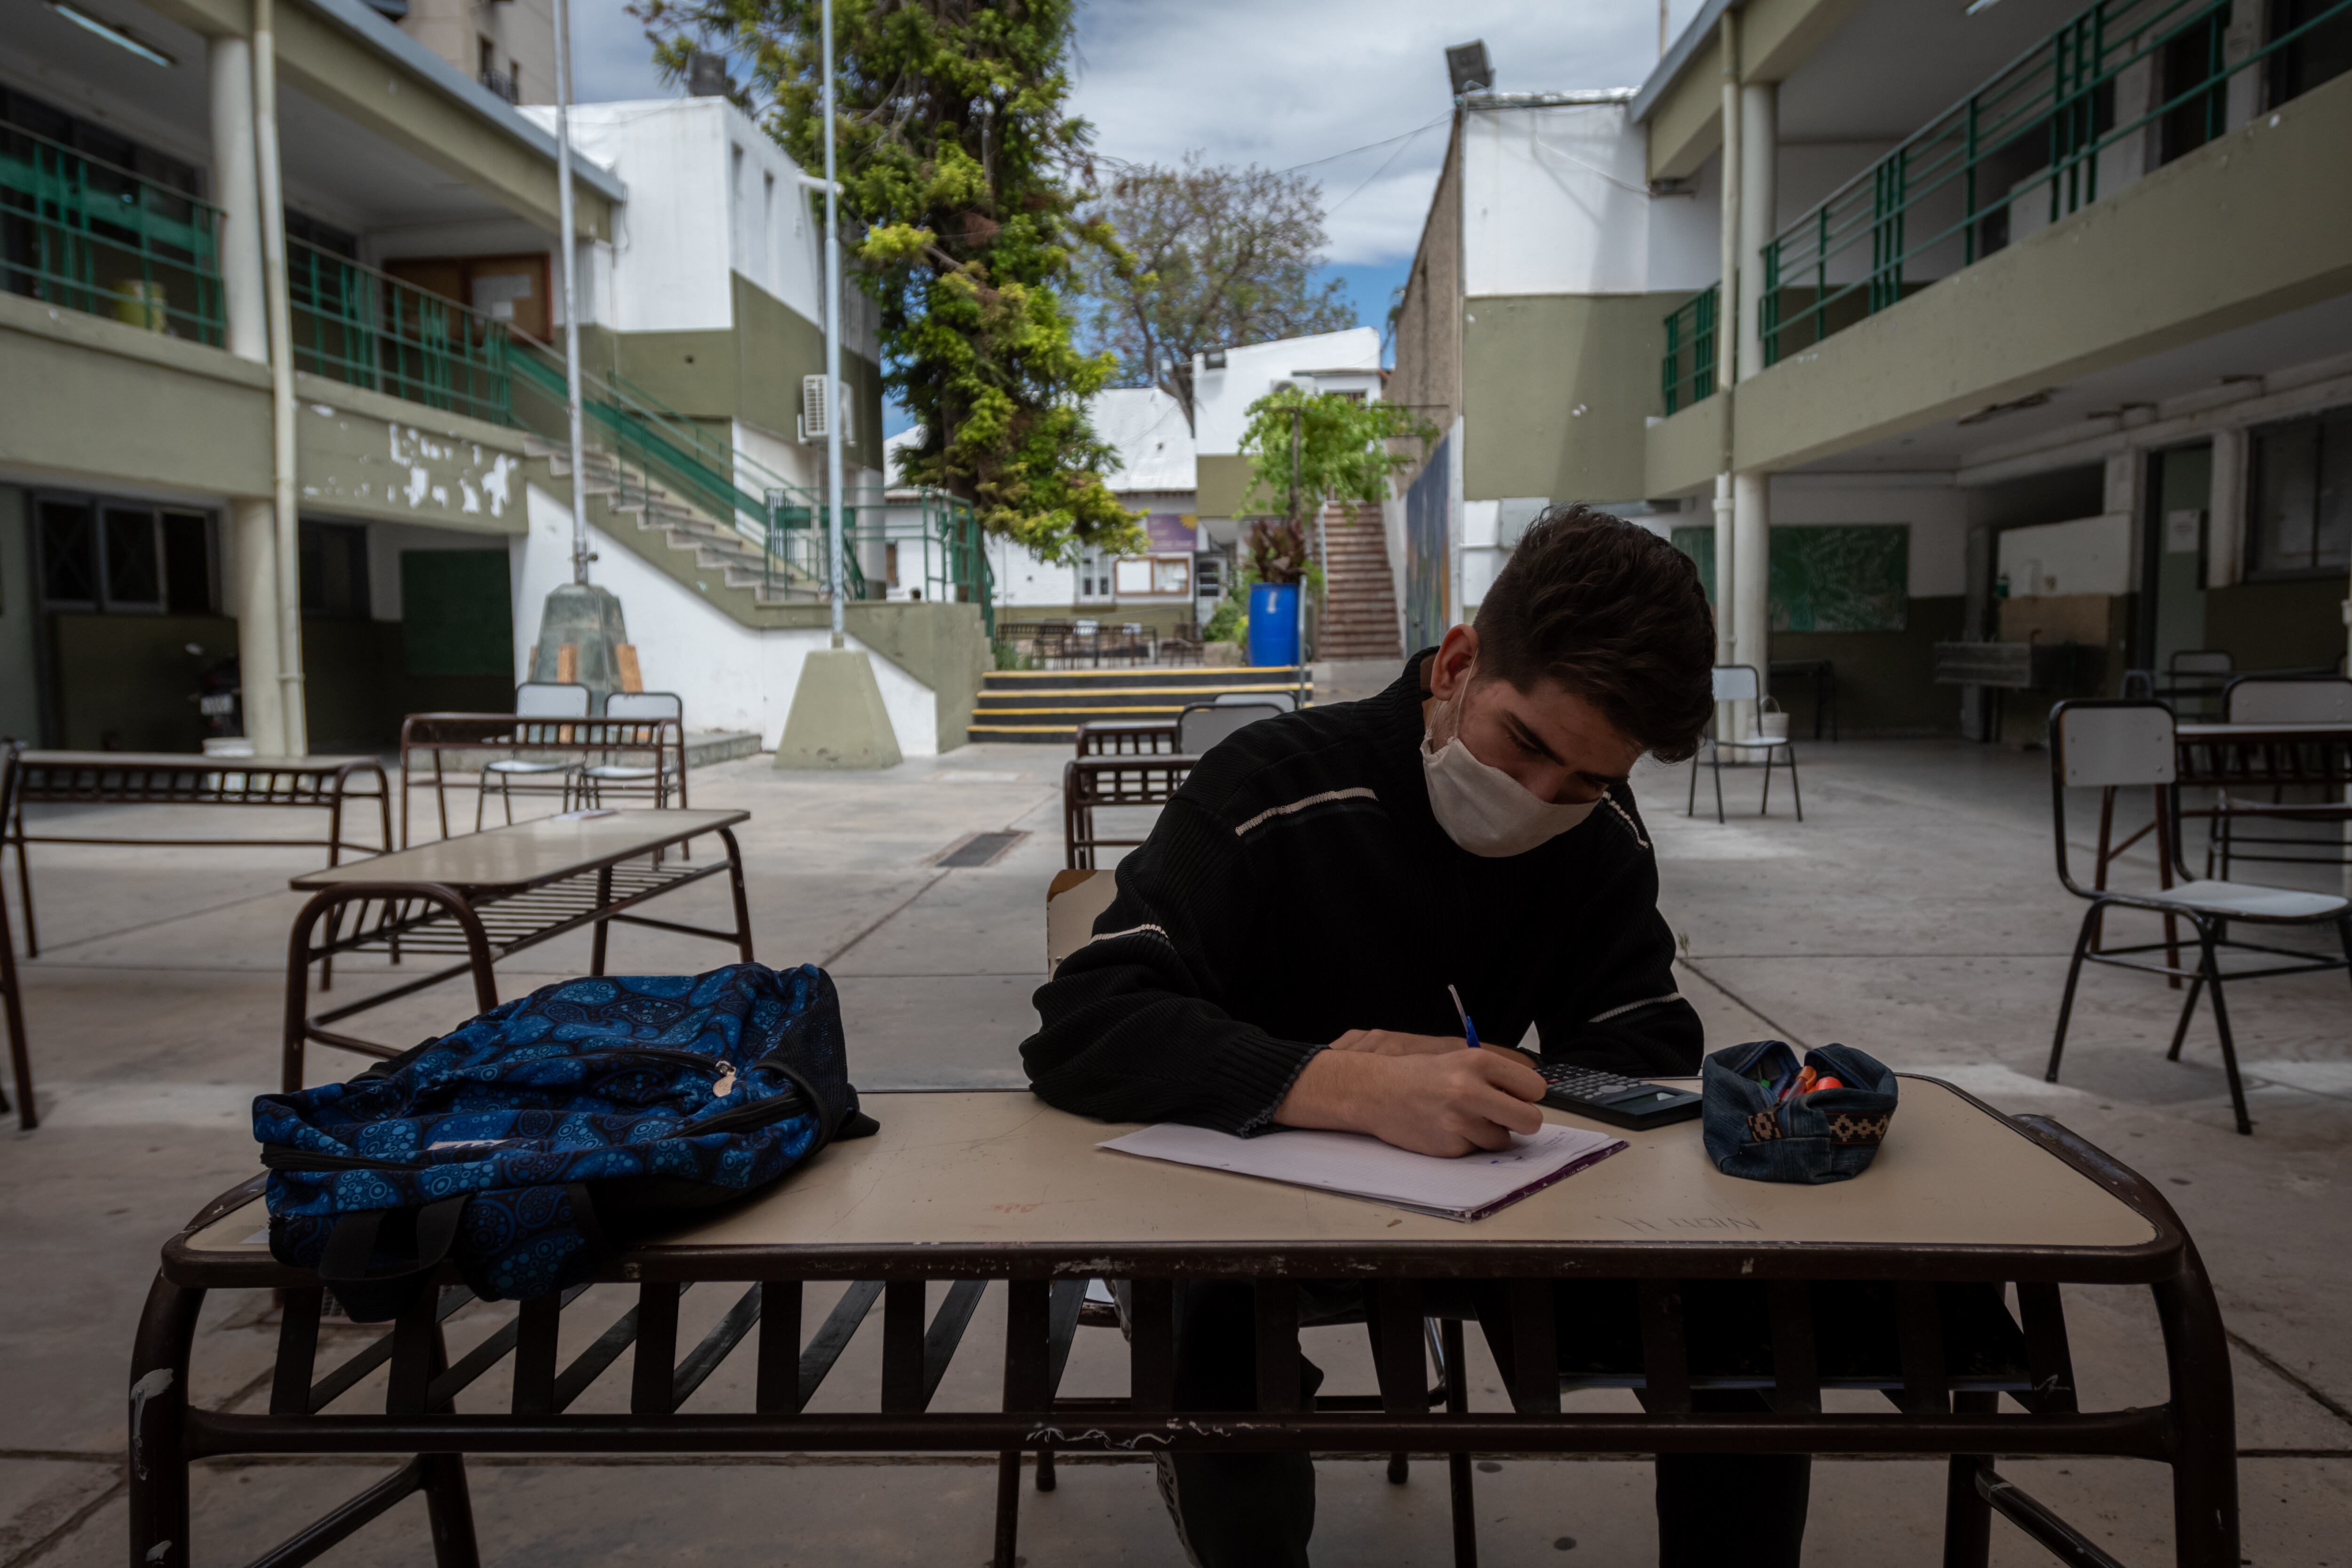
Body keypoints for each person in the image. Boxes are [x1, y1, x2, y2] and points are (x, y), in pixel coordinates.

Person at [1022, 506, 1814, 1567]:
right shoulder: (1269, 785)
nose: (1540, 799)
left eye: (1587, 779)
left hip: (1482, 1206)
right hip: (1245, 1209)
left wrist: (1494, 1080)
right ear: (1455, 663)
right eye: (1525, 744)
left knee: (1743, 1329)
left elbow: (1645, 1057)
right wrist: (1345, 1082)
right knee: (1211, 1353)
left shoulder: (1600, 839)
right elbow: (1086, 1021)